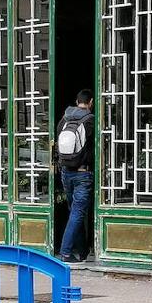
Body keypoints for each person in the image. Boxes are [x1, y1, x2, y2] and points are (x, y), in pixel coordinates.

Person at [55, 89, 95, 263]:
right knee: (77, 214)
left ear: (76, 101)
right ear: (91, 102)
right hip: (82, 174)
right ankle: (65, 252)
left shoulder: (64, 119)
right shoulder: (90, 120)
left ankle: (83, 250)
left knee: (75, 213)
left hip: (66, 173)